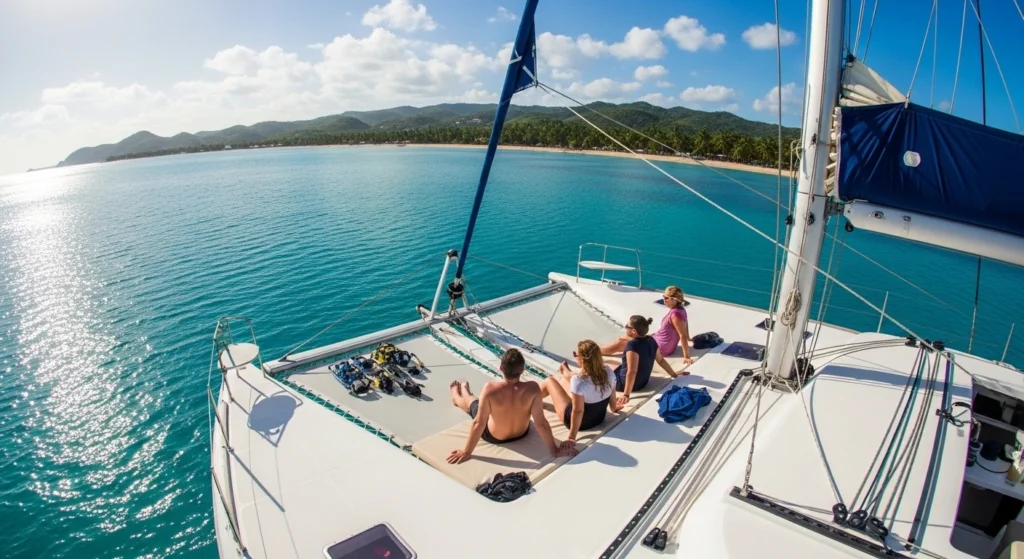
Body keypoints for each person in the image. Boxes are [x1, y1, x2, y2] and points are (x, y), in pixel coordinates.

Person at [447, 348, 576, 464]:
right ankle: (464, 390)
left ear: (501, 369)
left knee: (473, 403)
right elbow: (541, 423)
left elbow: (478, 423)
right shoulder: (533, 388)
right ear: (523, 370)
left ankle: (458, 396)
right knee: (476, 403)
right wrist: (554, 450)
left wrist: (467, 452)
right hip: (522, 433)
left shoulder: (490, 389)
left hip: (494, 437)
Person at [540, 340, 623, 452]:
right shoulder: (608, 372)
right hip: (599, 418)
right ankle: (565, 374)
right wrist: (614, 407)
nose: (575, 357)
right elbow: (612, 397)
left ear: (582, 359)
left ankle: (529, 400)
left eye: (576, 354)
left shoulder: (578, 381)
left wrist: (571, 437)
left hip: (580, 423)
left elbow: (578, 411)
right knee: (561, 380)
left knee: (549, 381)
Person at [601, 315, 679, 409]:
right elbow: (661, 360)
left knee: (601, 365)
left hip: (625, 385)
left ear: (633, 331)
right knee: (613, 364)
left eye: (627, 326)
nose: (625, 328)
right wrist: (674, 374)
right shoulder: (651, 340)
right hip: (643, 382)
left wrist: (626, 394)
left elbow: (632, 372)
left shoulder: (632, 345)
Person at [652, 286, 694, 365]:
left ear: (675, 299)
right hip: (661, 341)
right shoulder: (681, 309)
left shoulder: (675, 315)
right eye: (664, 297)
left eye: (667, 298)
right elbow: (685, 323)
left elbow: (682, 335)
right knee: (637, 335)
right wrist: (688, 337)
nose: (664, 299)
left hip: (662, 347)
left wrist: (687, 356)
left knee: (626, 342)